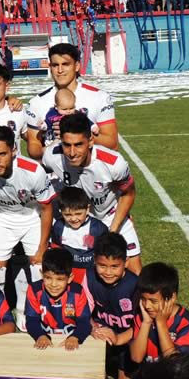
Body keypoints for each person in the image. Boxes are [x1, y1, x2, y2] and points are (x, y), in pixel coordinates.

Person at [0, 125, 55, 322]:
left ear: (14, 150)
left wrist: (42, 247)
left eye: (2, 154)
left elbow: (47, 208)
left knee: (39, 268)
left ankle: (29, 313)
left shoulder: (33, 171)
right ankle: (0, 314)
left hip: (31, 217)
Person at [43, 113, 142, 274]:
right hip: (74, 218)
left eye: (78, 144)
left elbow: (128, 194)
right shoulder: (51, 156)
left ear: (90, 141)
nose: (72, 152)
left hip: (110, 217)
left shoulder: (113, 164)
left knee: (134, 272)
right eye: (67, 145)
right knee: (64, 270)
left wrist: (112, 231)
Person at [26, 43, 118, 159]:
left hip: (89, 172)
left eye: (65, 64)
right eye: (55, 65)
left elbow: (112, 144)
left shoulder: (99, 97)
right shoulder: (36, 102)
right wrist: (51, 149)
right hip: (53, 174)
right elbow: (33, 150)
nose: (60, 70)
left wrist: (76, 134)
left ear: (77, 66)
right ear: (50, 67)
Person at [82, 232, 139, 379]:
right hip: (102, 334)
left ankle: (120, 368)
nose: (108, 272)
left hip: (128, 338)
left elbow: (143, 325)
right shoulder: (89, 277)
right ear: (95, 261)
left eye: (115, 266)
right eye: (102, 265)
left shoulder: (136, 286)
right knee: (92, 373)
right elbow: (83, 311)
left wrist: (119, 337)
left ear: (126, 262)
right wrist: (94, 328)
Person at [130, 263, 189, 364]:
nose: (147, 306)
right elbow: (136, 357)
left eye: (153, 301)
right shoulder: (142, 315)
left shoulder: (188, 323)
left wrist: (161, 323)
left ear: (172, 298)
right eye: (143, 299)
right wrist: (146, 323)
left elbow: (175, 363)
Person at [25, 248, 91, 351]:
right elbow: (31, 320)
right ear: (42, 274)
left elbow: (84, 322)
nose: (53, 284)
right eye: (48, 278)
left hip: (71, 340)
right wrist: (40, 336)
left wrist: (76, 337)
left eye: (60, 279)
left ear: (70, 278)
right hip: (44, 341)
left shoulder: (77, 292)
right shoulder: (34, 290)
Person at [50, 187, 108, 284]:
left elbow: (106, 253)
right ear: (61, 211)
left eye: (78, 213)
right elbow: (56, 250)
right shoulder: (58, 227)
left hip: (91, 274)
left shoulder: (98, 228)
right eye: (68, 215)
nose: (73, 218)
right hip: (68, 273)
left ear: (88, 208)